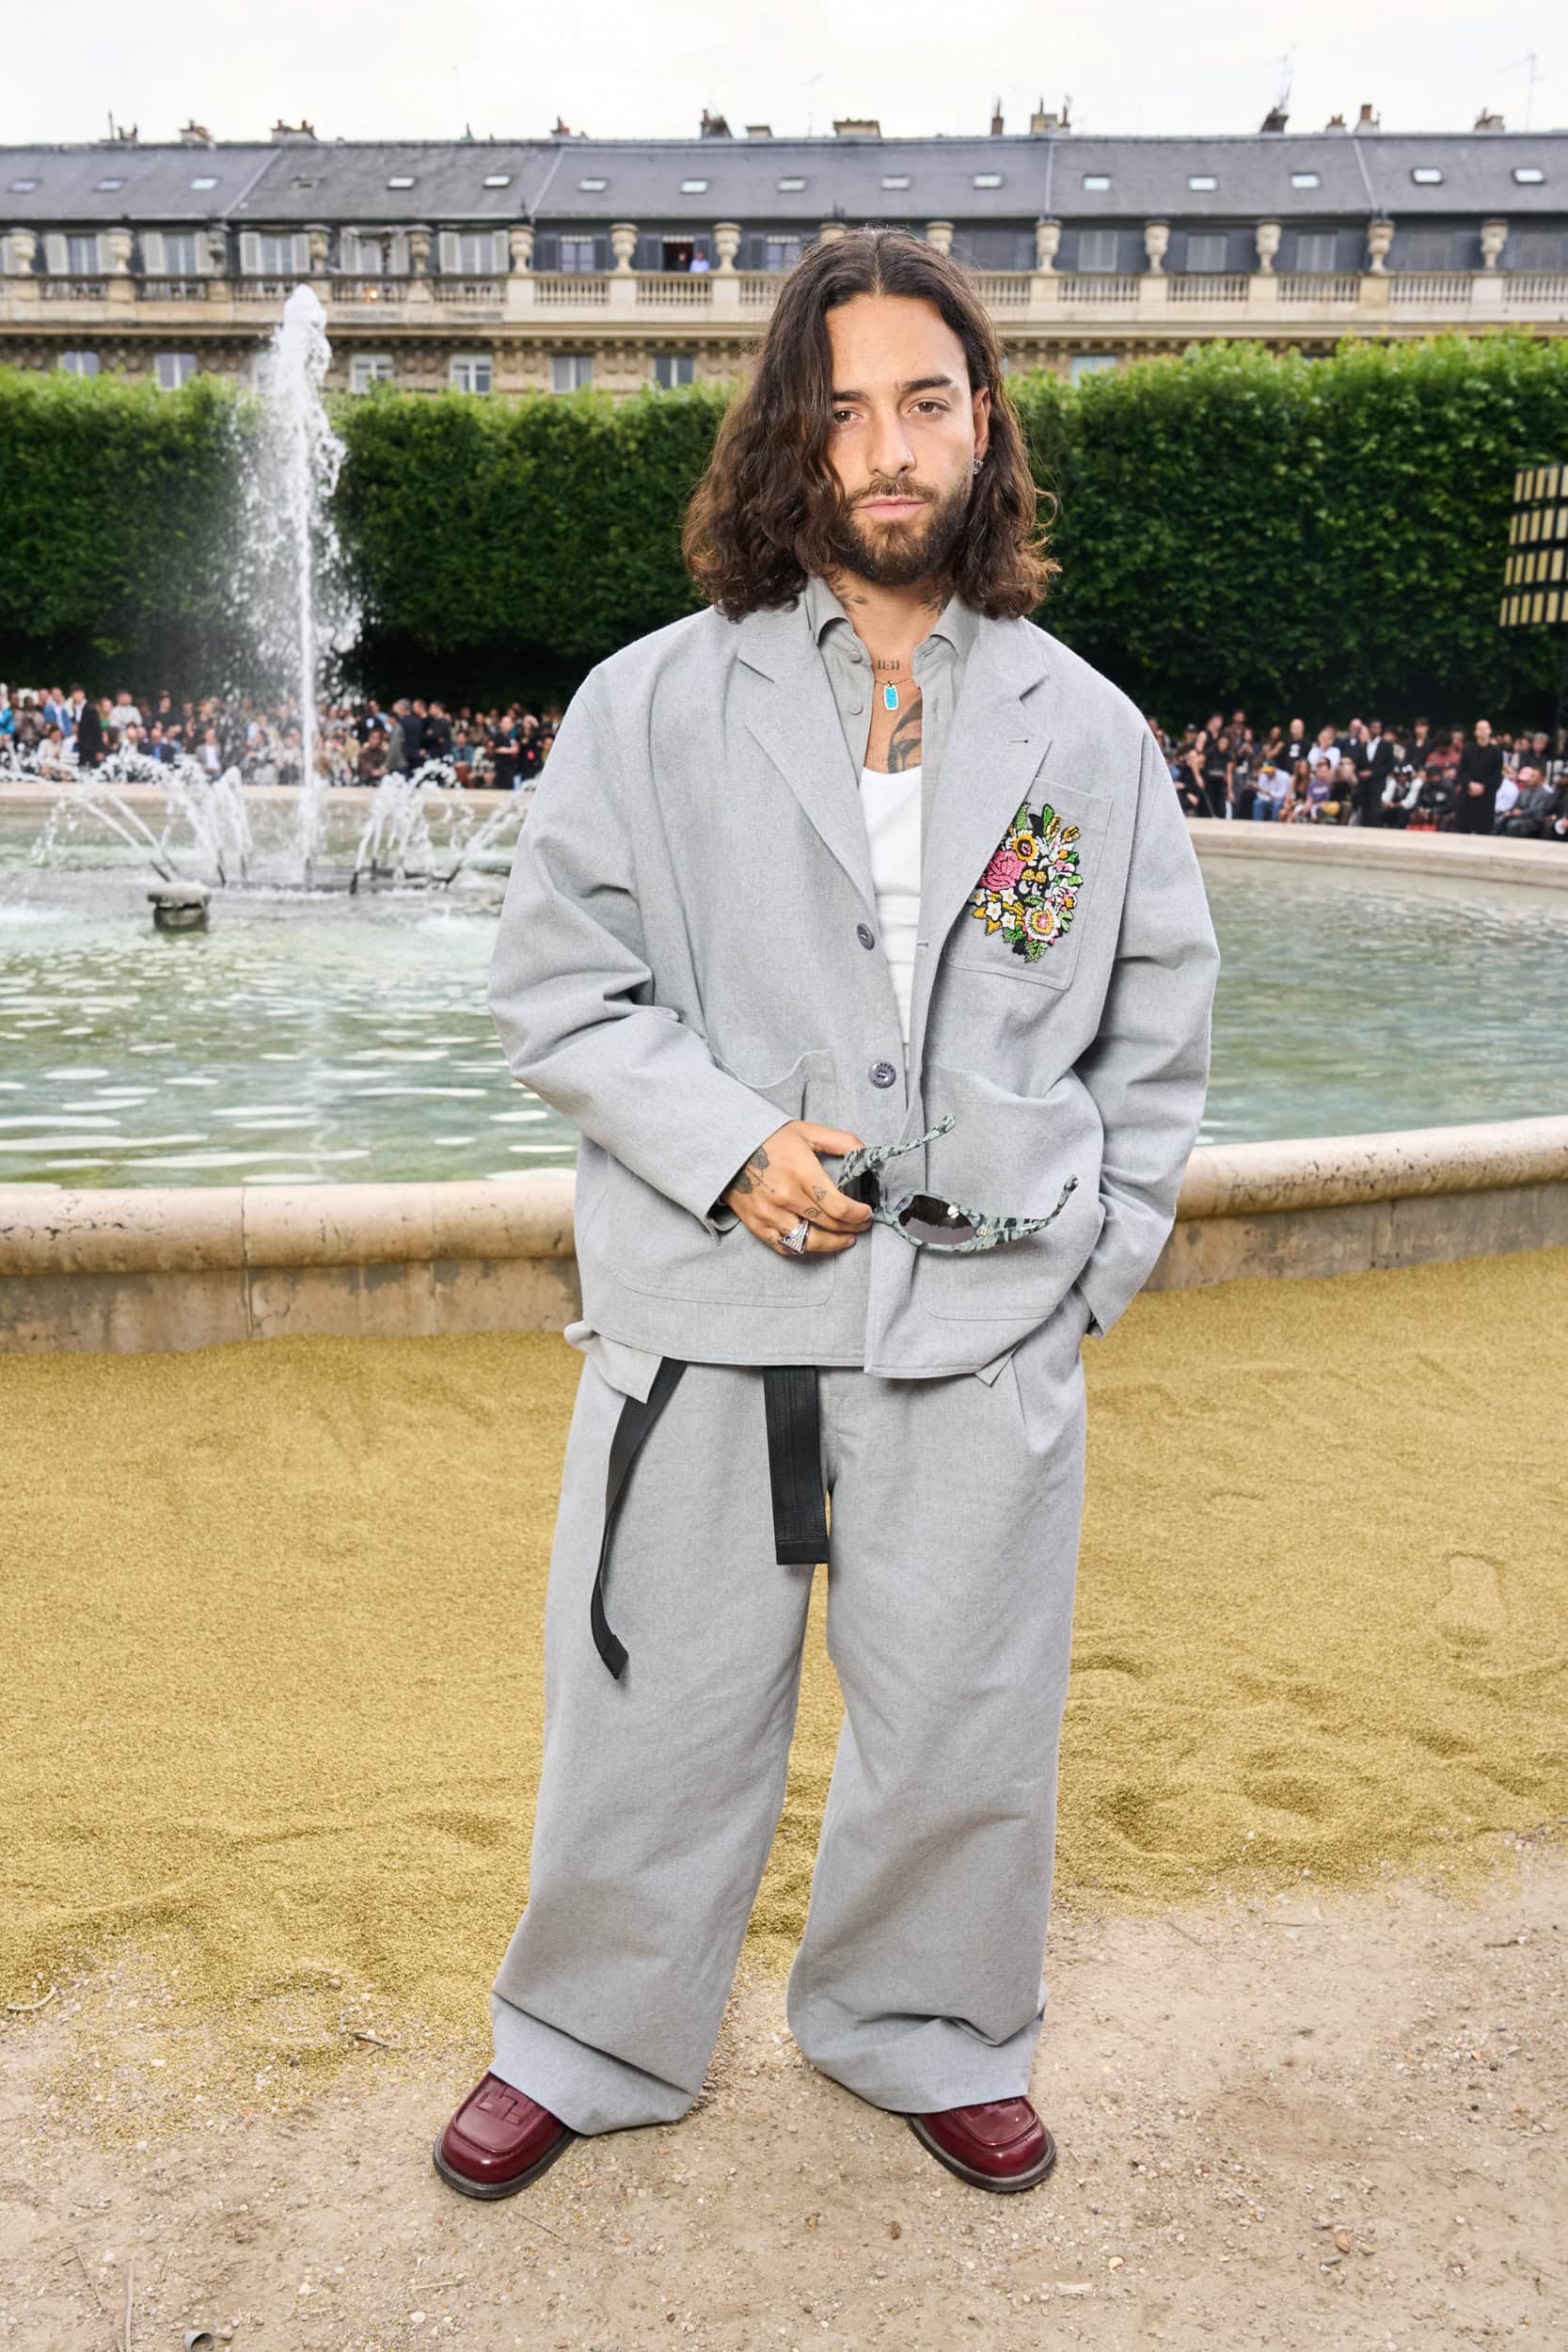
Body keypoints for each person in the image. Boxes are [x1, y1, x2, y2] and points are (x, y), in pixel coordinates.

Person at [436, 227, 1218, 2207]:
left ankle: (927, 2025)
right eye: (842, 406)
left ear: (984, 426)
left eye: (924, 402)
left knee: (963, 1725)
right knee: (647, 1709)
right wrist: (721, 1145)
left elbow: (1155, 1035)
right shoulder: (639, 704)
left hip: (979, 1327)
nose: (885, 447)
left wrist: (1081, 1282)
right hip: (702, 1315)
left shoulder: (1089, 734)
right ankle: (584, 2036)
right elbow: (556, 989)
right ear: (788, 435)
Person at [1453, 718, 1503, 834]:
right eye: (1480, 729)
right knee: (1463, 828)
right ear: (1475, 732)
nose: (1482, 731)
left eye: (1485, 728)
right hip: (1468, 792)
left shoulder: (1496, 752)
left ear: (1490, 731)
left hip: (1486, 795)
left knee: (1484, 830)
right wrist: (1470, 784)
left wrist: (1483, 786)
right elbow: (1462, 772)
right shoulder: (1468, 750)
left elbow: (1497, 775)